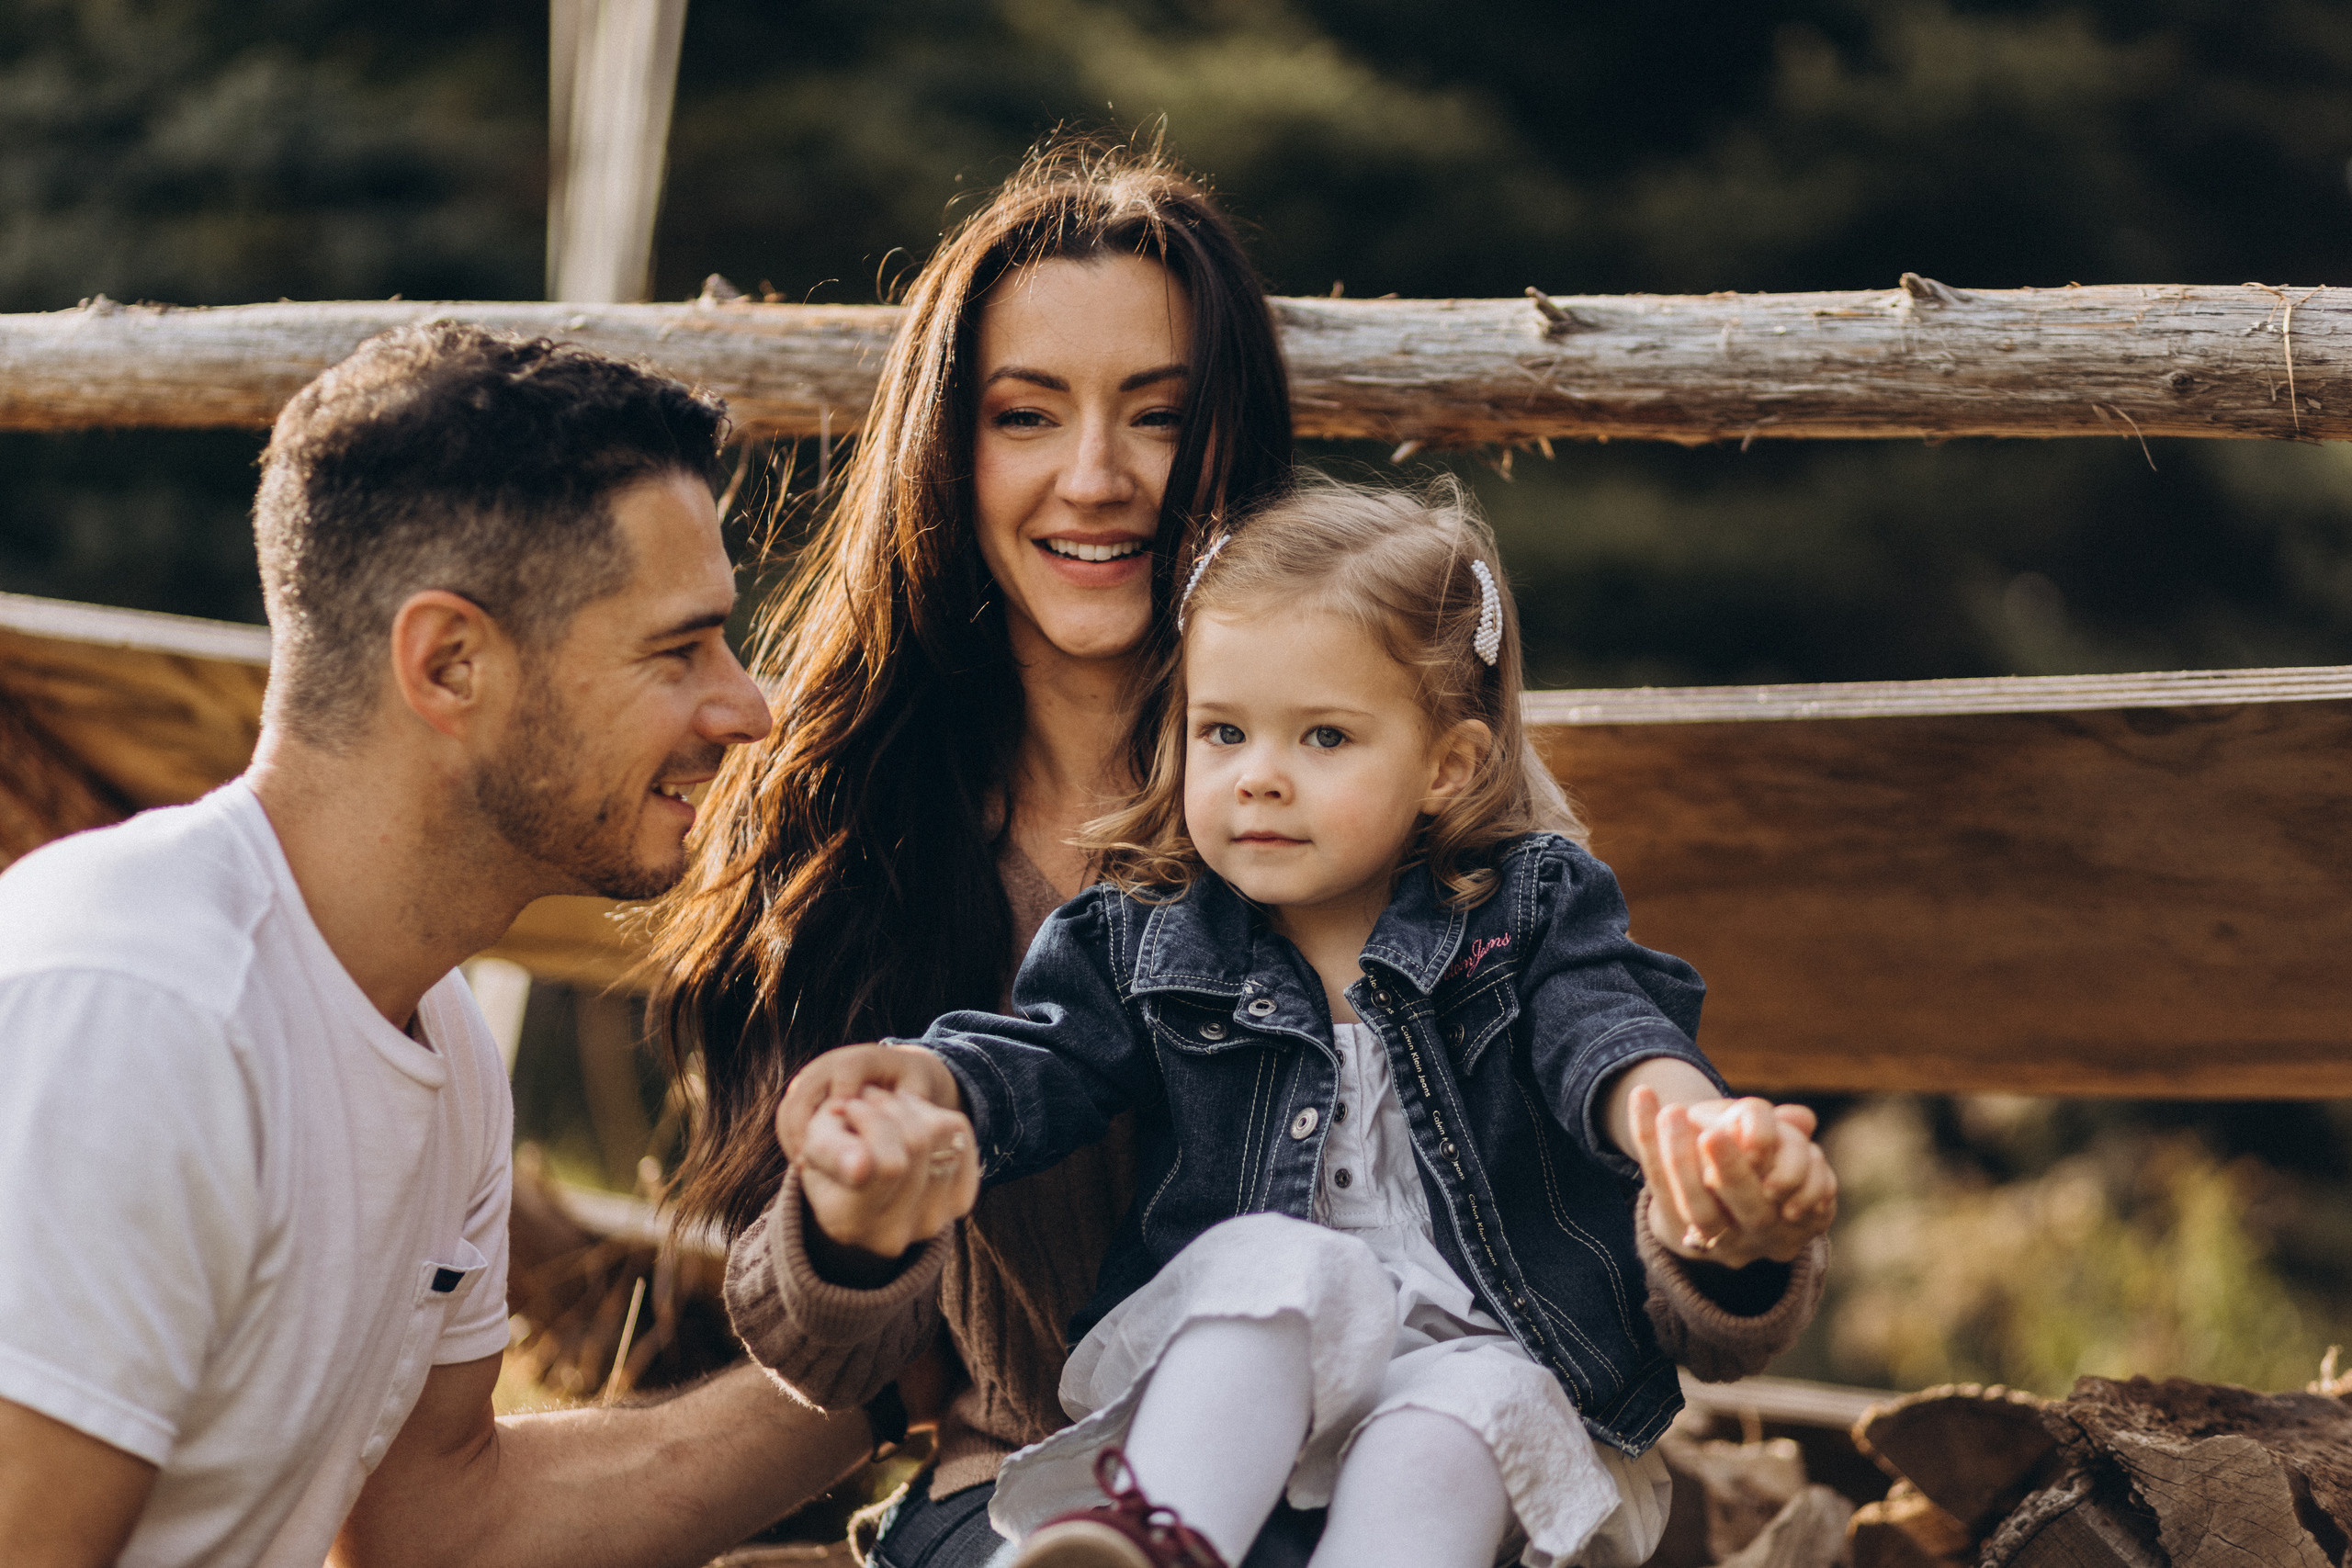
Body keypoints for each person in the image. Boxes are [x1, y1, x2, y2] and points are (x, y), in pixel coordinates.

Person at [774, 476, 1838, 1568]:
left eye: (1323, 738)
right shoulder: (1149, 935)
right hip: (1232, 1406)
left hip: (1467, 1366)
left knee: (1479, 1402)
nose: (1259, 780)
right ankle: (1153, 1541)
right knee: (1280, 1267)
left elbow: (1604, 1040)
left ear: (1447, 765)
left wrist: (1700, 1137)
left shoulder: (1528, 913)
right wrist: (928, 1087)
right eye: (1223, 732)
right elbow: (1039, 1056)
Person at [0, 322, 876, 1568]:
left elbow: (449, 1526)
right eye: (681, 648)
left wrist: (884, 1364)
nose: (748, 703)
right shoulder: (139, 1014)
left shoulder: (437, 1035)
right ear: (450, 662)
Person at [648, 137, 1295, 1566]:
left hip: (1366, 1483)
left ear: (1231, 436)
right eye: (1026, 414)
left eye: (1159, 416)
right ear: (949, 448)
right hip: (1023, 1503)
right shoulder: (846, 822)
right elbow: (819, 1348)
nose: (1095, 476)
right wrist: (858, 1218)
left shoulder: (1374, 756)